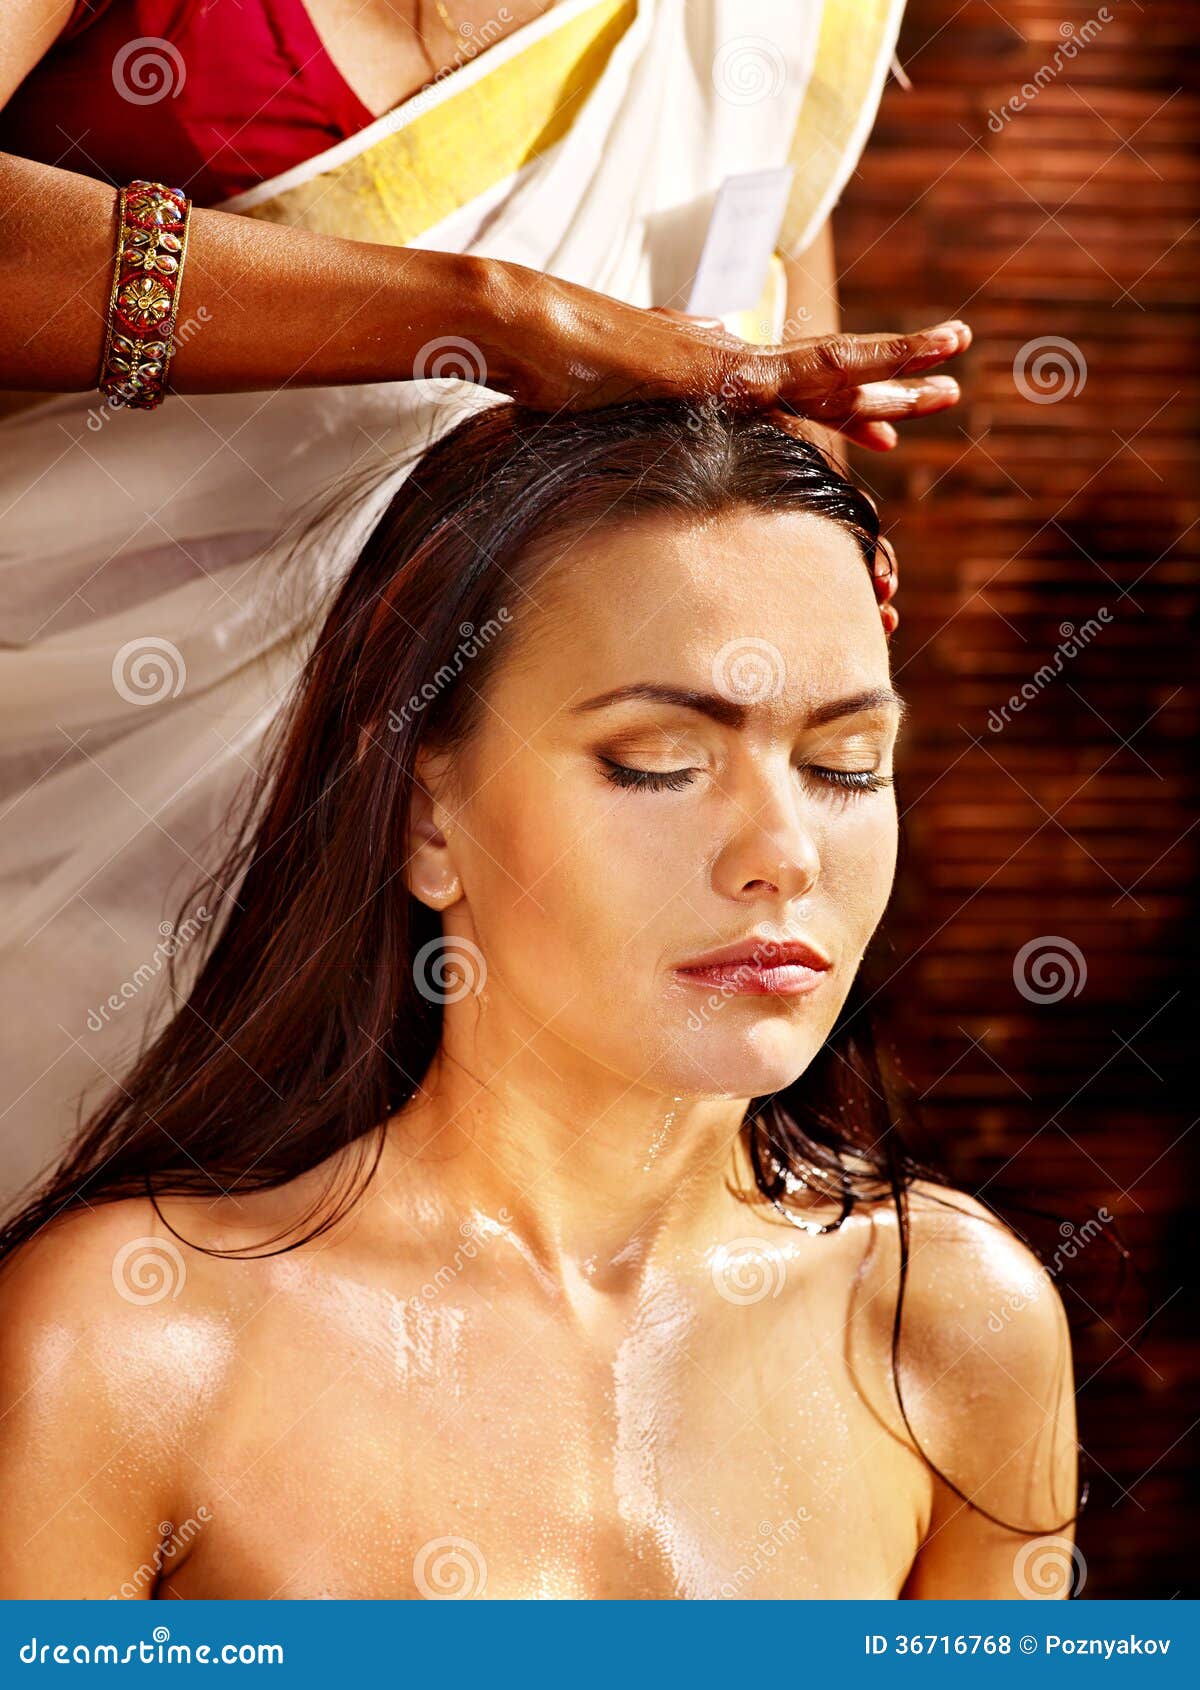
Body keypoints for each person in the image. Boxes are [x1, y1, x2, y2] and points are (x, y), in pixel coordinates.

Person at [0, 399, 1078, 1600]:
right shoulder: (134, 1337)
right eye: (659, 763)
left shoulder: (955, 1324)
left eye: (844, 767)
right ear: (427, 819)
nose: (783, 853)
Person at [0, 1, 971, 1210]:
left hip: (522, 839)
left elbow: (769, 346)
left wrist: (802, 560)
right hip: (69, 764)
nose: (792, 854)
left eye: (847, 766)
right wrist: (491, 319)